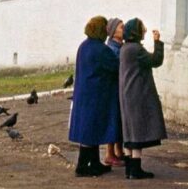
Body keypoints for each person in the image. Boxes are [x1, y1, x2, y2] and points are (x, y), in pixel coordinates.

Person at [67, 15, 120, 177]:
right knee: (92, 130)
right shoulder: (101, 49)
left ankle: (94, 163)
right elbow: (116, 67)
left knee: (89, 129)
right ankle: (82, 166)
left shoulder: (83, 46)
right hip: (96, 95)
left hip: (84, 94)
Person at [118, 18, 166, 180]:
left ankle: (130, 169)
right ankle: (136, 168)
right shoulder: (136, 49)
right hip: (137, 93)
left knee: (129, 131)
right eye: (142, 28)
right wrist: (158, 43)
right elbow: (155, 61)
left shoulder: (125, 48)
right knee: (137, 131)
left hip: (127, 93)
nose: (145, 30)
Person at [103, 17, 127, 167]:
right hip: (113, 89)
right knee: (113, 119)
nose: (123, 30)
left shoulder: (120, 46)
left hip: (119, 88)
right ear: (112, 32)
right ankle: (109, 153)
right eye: (120, 27)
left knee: (119, 120)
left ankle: (119, 150)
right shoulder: (112, 49)